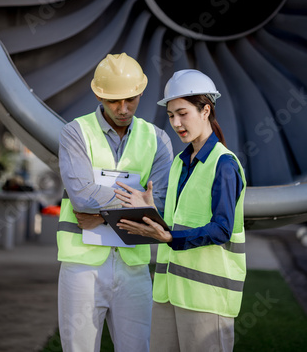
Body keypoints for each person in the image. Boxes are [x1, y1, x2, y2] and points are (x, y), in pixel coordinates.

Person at [116, 69, 247, 352]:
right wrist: (150, 210)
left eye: (183, 113)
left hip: (208, 299)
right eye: (171, 115)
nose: (176, 123)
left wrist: (169, 239)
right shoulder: (179, 162)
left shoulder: (224, 164)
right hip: (168, 294)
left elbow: (222, 229)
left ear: (205, 110)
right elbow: (179, 222)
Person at [57, 52, 173, 352]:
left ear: (141, 93)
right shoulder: (75, 133)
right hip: (82, 266)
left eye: (130, 99)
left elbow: (159, 203)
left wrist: (101, 214)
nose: (123, 109)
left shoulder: (158, 139)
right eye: (114, 101)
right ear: (98, 94)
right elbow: (81, 196)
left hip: (133, 267)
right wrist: (136, 203)